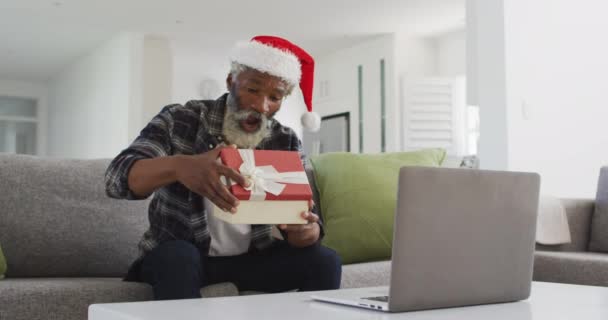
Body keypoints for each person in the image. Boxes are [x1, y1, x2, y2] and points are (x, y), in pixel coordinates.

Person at [104, 35, 341, 300]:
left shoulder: (284, 140)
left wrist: (307, 231)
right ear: (231, 81)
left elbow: (307, 226)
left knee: (325, 260)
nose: (261, 106)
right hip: (181, 256)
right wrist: (180, 166)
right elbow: (117, 178)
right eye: (253, 90)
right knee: (179, 257)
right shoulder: (181, 119)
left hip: (253, 258)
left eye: (274, 97)